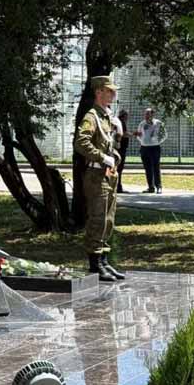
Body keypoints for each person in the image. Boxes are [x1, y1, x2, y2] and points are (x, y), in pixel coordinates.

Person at [74, 75, 125, 283]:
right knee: (98, 218)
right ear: (98, 92)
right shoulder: (92, 116)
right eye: (109, 91)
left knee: (108, 219)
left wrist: (118, 134)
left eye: (113, 91)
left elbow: (110, 144)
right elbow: (81, 142)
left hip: (109, 174)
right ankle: (95, 265)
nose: (113, 94)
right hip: (96, 174)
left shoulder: (107, 116)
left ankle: (104, 260)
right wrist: (101, 157)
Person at [135, 108, 166, 194]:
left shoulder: (158, 123)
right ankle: (150, 187)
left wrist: (157, 141)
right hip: (144, 148)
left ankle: (158, 186)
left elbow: (164, 135)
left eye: (148, 114)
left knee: (156, 167)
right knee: (147, 168)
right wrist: (142, 141)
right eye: (145, 114)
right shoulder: (142, 123)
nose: (146, 115)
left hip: (154, 147)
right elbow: (139, 134)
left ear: (152, 115)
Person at [116, 110, 130, 193]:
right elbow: (123, 134)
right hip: (121, 148)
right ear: (124, 116)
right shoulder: (121, 122)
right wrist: (132, 134)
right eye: (127, 115)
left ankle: (118, 186)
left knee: (117, 168)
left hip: (118, 148)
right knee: (119, 168)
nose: (128, 117)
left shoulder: (118, 122)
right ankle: (118, 187)